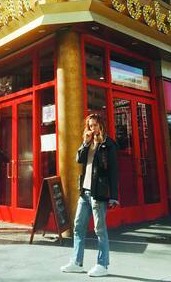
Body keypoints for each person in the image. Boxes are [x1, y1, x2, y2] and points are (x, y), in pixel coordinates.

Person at [61, 113, 119, 278]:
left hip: (98, 193)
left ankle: (102, 264)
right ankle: (77, 262)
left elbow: (113, 171)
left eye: (95, 125)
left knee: (99, 229)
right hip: (85, 192)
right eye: (90, 126)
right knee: (78, 226)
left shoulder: (108, 144)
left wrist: (114, 196)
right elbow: (78, 159)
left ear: (101, 125)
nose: (93, 128)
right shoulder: (88, 143)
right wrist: (85, 143)